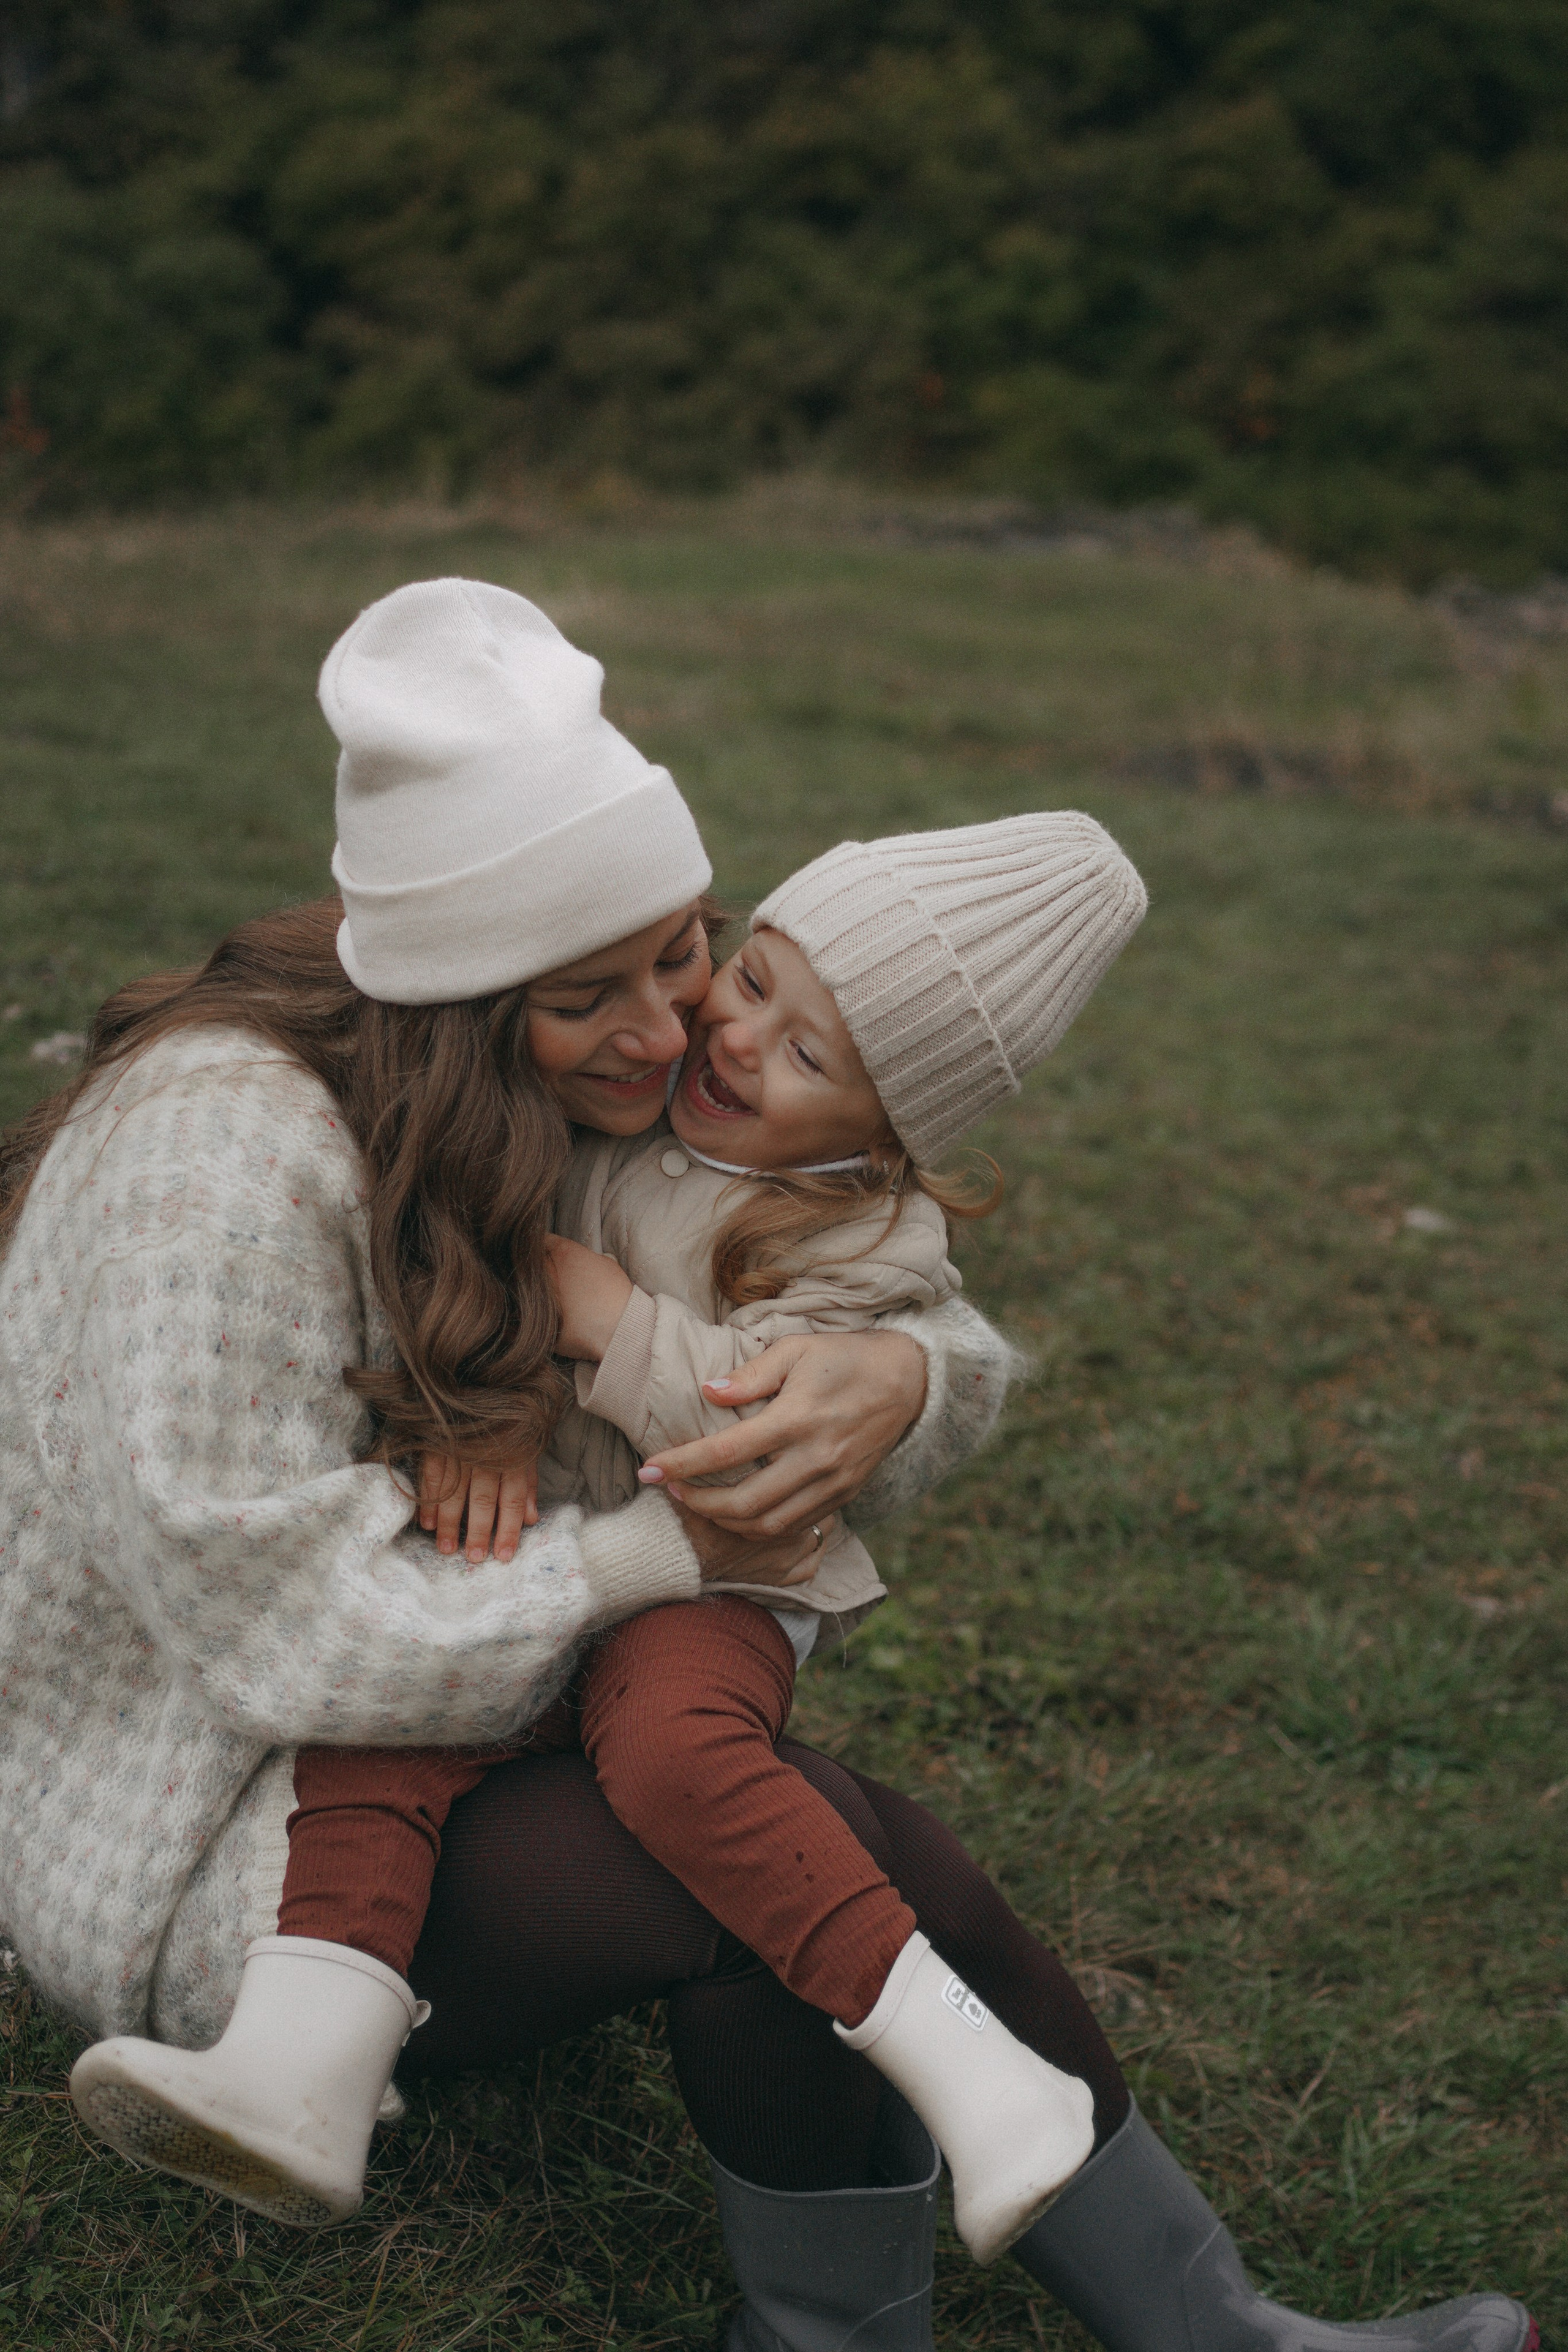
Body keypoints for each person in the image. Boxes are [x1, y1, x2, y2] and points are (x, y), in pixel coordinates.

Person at [7, 579, 1529, 2352]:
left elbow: (852, 1264)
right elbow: (298, 1638)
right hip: (204, 1812)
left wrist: (900, 1375)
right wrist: (663, 1558)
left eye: (687, 950)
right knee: (753, 1859)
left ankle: (1202, 2323)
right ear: (461, 995)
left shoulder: (547, 1076)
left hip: (458, 1686)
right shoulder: (224, 1160)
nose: (678, 1038)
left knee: (793, 1824)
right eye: (597, 995)